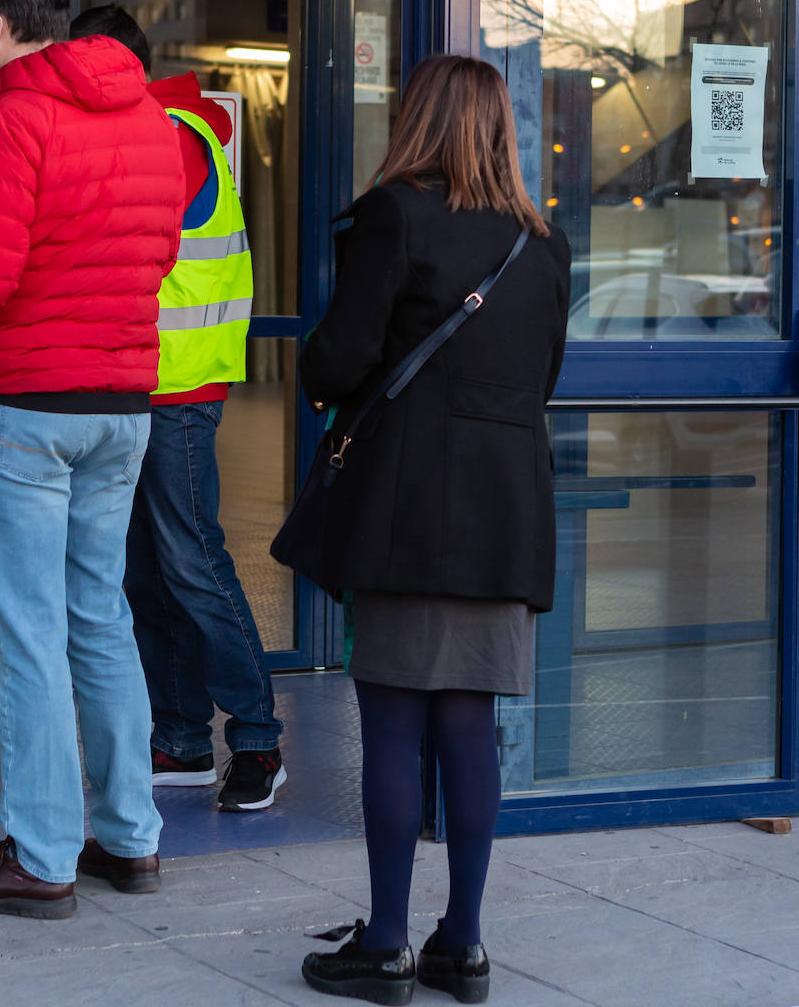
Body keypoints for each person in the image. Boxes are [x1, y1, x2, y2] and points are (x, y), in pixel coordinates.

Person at [0, 0, 184, 918]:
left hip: (24, 406)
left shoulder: (13, 121)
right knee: (100, 620)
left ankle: (40, 853)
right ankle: (130, 838)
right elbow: (150, 259)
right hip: (120, 406)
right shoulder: (151, 121)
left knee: (29, 639)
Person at [294, 55, 569, 1003]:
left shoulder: (395, 214)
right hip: (507, 514)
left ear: (419, 121)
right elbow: (543, 380)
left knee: (395, 730)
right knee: (469, 726)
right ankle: (465, 943)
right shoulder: (544, 242)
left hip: (409, 510)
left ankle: (385, 943)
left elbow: (338, 357)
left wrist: (320, 376)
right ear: (499, 127)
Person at [67, 5, 285, 811]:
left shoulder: (171, 134)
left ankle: (257, 738)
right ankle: (183, 735)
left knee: (192, 563)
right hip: (132, 384)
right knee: (146, 572)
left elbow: (118, 252)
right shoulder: (149, 129)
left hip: (175, 391)